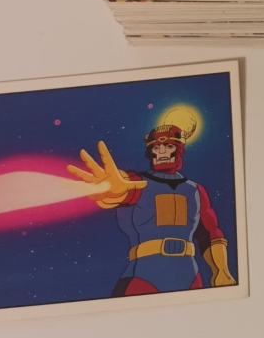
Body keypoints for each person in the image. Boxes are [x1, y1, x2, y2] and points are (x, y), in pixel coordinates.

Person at [66, 114, 236, 295]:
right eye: (157, 147)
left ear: (178, 150)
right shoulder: (137, 183)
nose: (162, 151)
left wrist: (222, 271)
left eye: (168, 146)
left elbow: (210, 234)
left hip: (189, 274)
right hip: (145, 275)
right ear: (151, 151)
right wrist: (109, 188)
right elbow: (121, 190)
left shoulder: (195, 190)